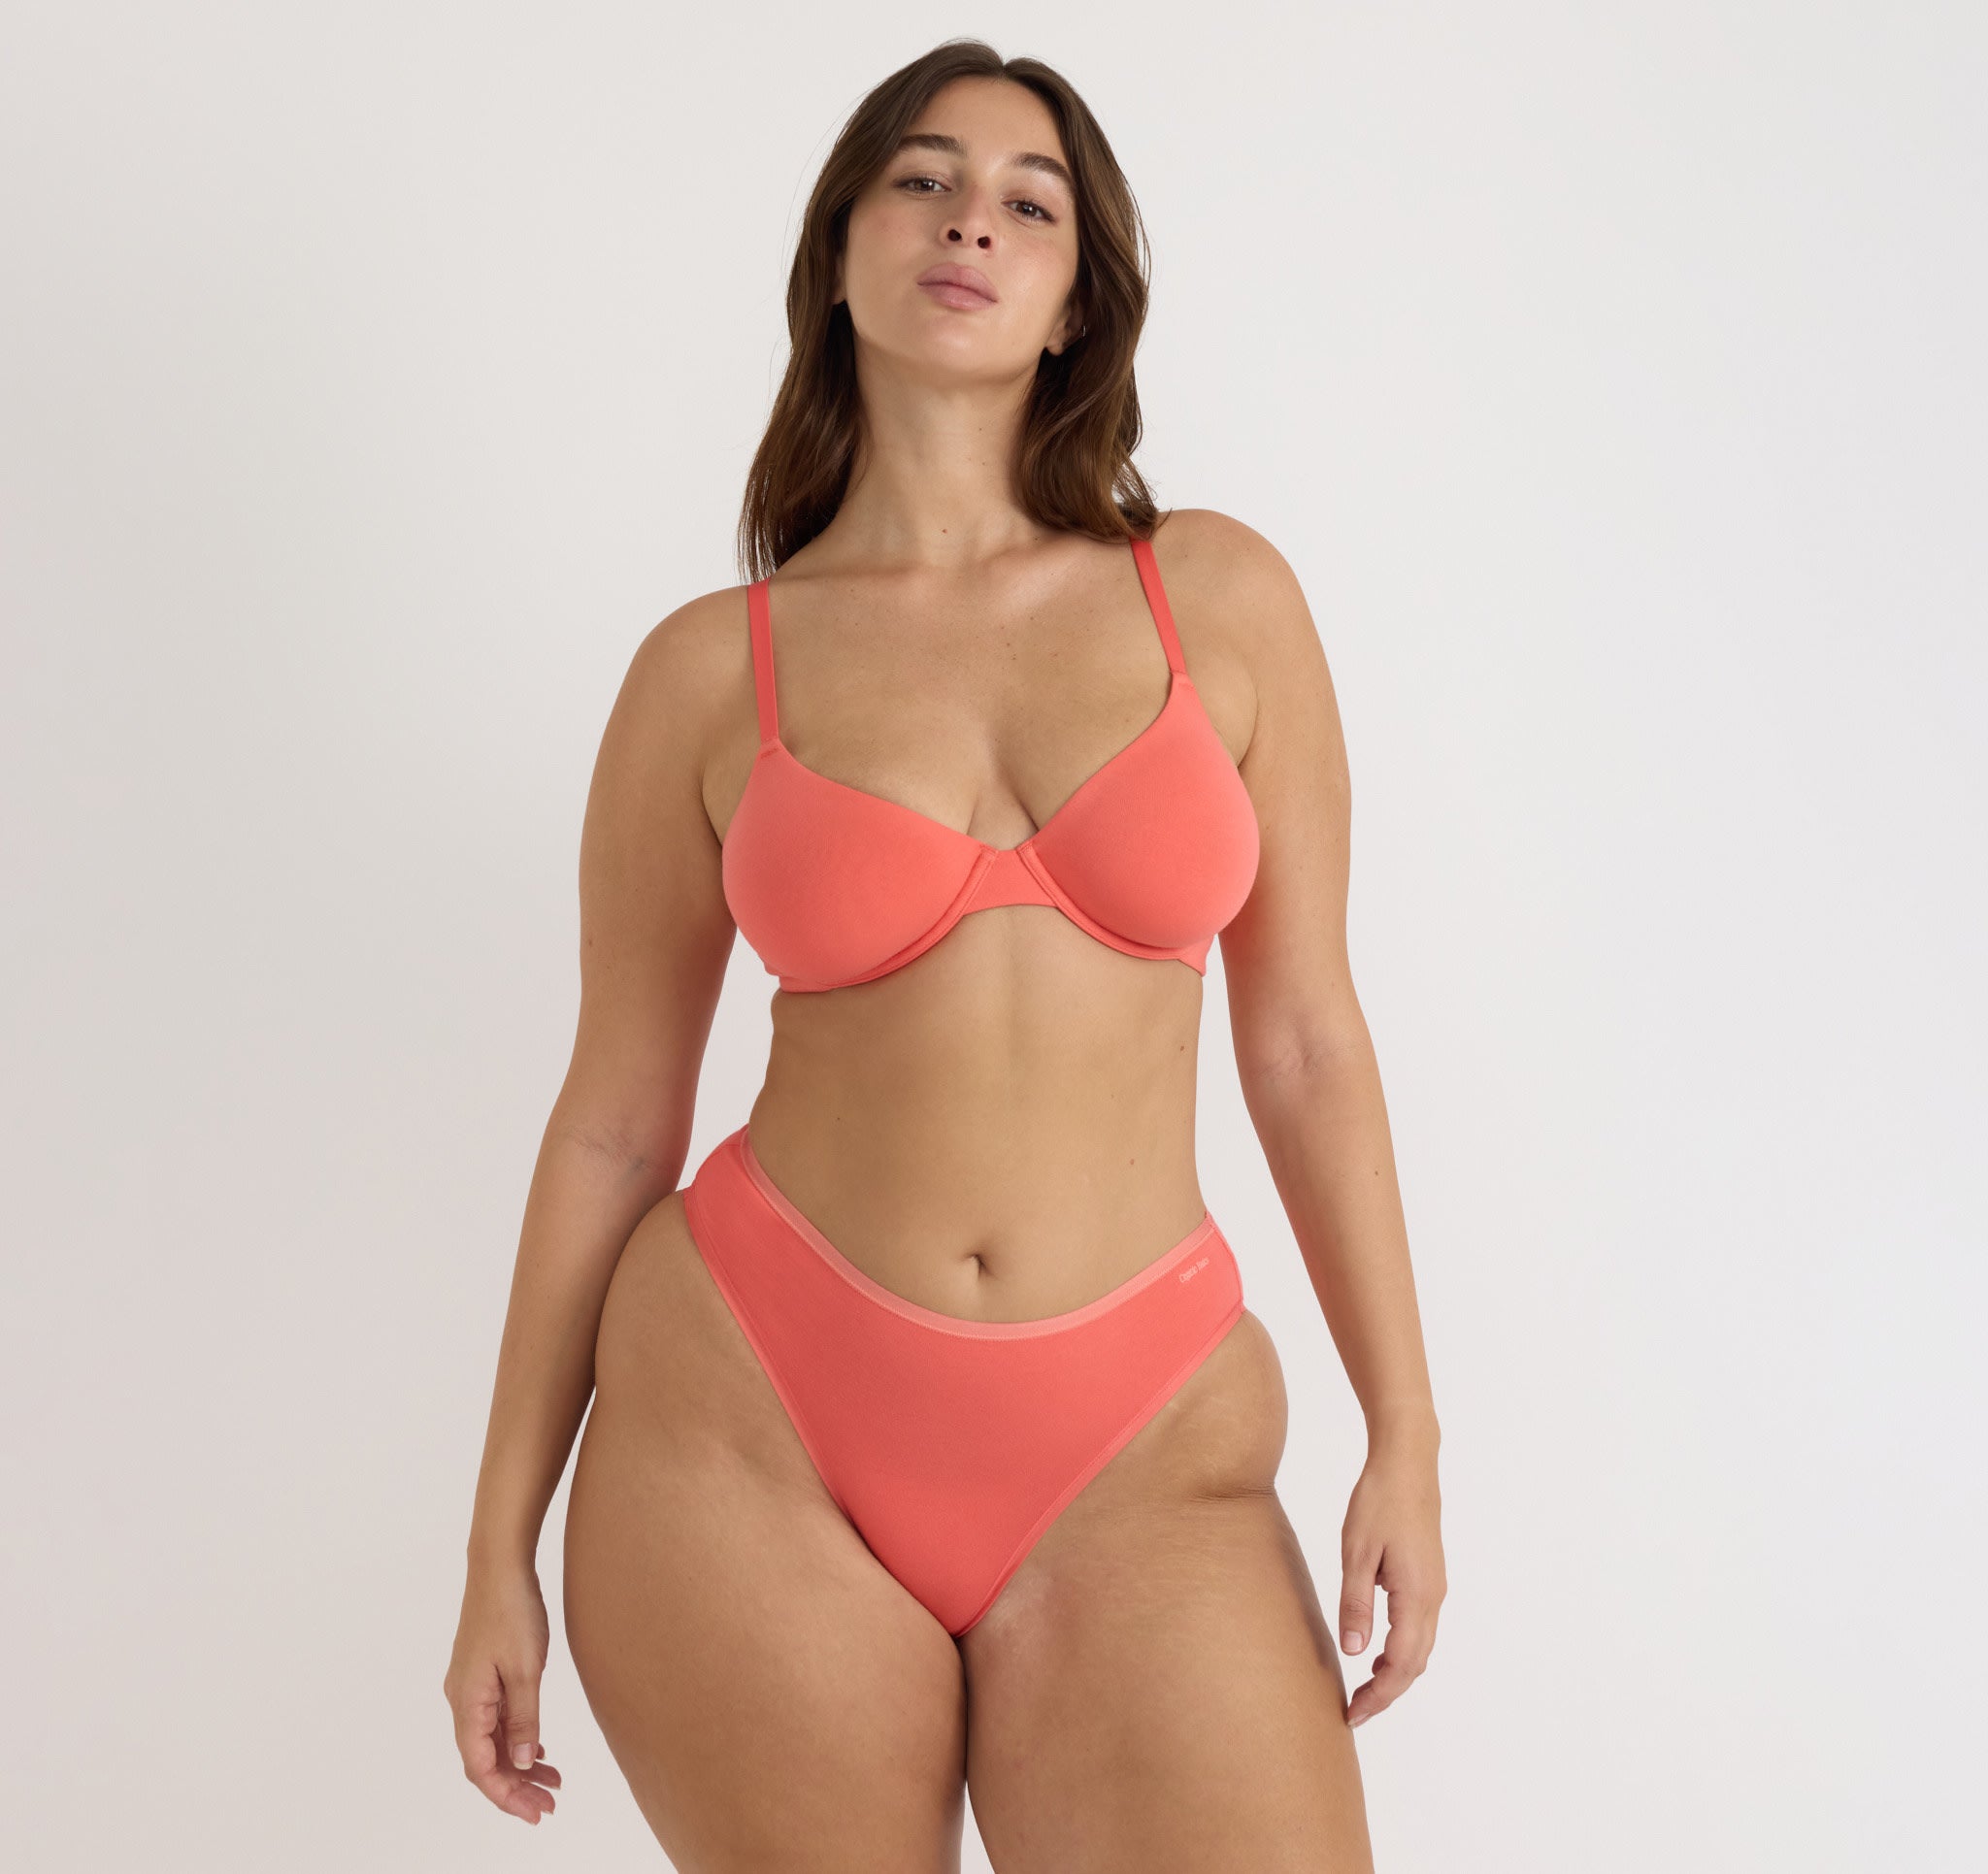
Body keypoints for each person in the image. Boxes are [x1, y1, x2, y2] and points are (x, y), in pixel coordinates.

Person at [445, 38, 1443, 1872]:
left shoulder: (1218, 599)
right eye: (921, 179)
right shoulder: (708, 671)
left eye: (1028, 202)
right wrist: (496, 1538)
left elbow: (1306, 1042)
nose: (971, 218)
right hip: (751, 1419)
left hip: (1142, 1437)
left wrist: (1408, 1427)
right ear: (840, 256)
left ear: (1078, 306)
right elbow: (611, 1122)